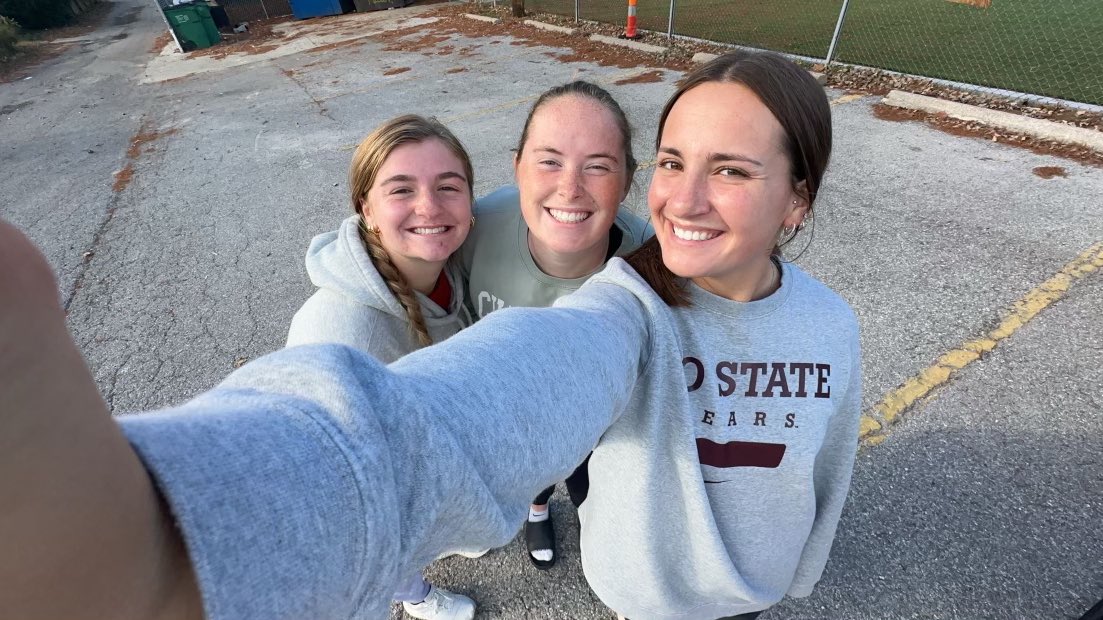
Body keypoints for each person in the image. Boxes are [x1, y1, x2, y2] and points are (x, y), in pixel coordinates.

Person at [1, 51, 859, 620]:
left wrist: (798, 575)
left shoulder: (828, 322)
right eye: (675, 162)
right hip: (639, 593)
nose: (686, 198)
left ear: (798, 199)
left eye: (732, 170)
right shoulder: (623, 304)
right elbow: (482, 396)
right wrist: (177, 536)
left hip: (754, 595)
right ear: (516, 168)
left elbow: (826, 467)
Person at [285, 115, 478, 620]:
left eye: (448, 186)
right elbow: (329, 493)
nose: (430, 206)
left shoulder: (451, 267)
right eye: (402, 189)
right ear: (367, 210)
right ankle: (413, 594)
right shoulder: (337, 332)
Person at [460, 80, 652, 570]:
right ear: (517, 167)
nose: (570, 187)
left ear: (627, 181)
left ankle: (602, 540)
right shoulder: (475, 227)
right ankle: (537, 506)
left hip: (603, 427)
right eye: (549, 160)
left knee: (597, 492)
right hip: (512, 414)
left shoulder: (652, 265)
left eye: (598, 166)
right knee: (535, 471)